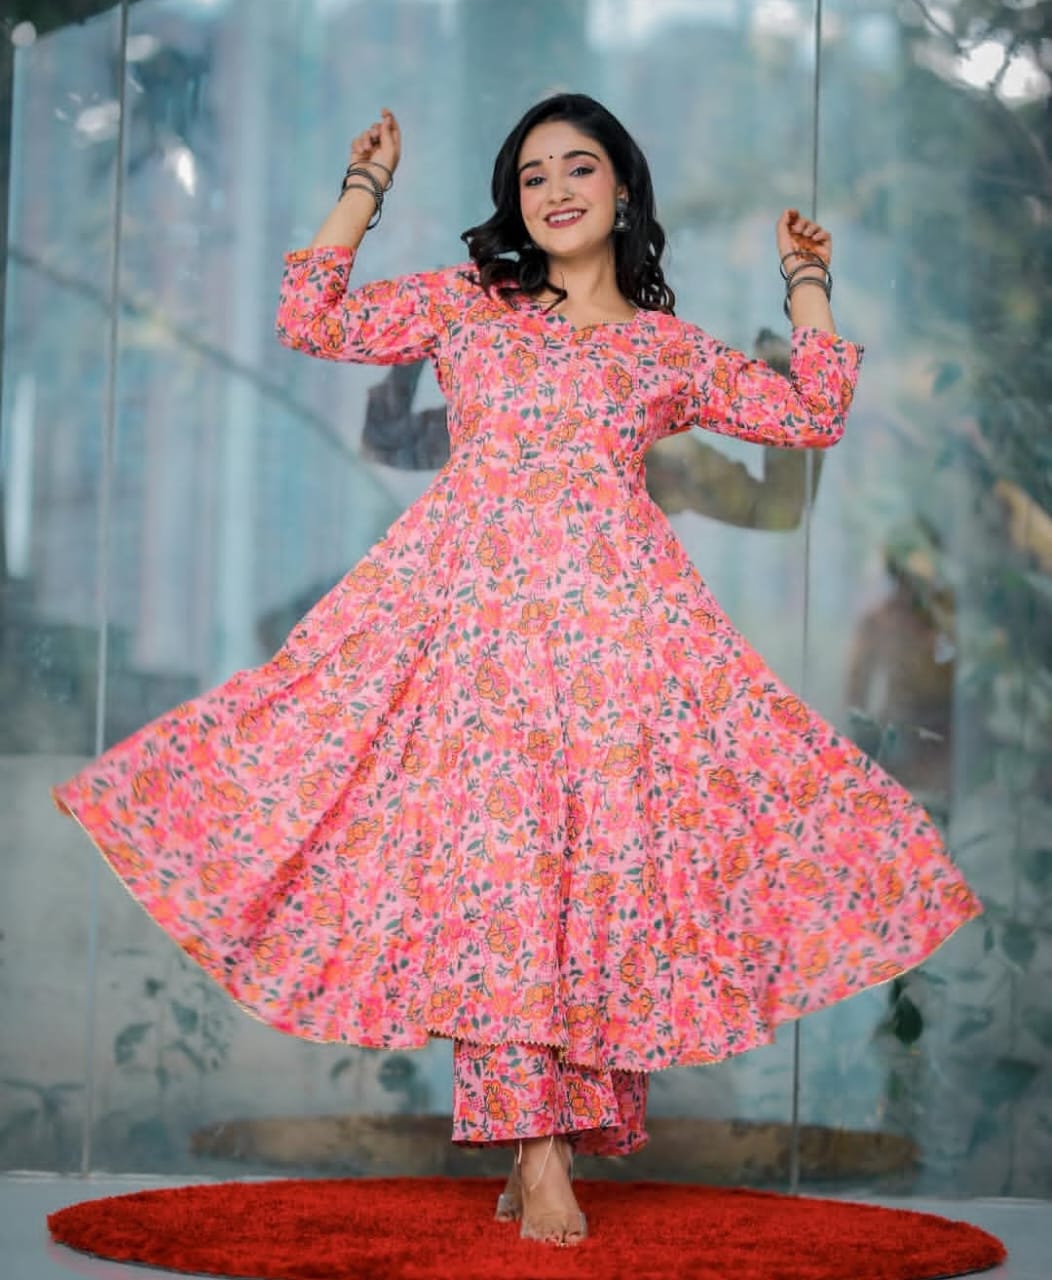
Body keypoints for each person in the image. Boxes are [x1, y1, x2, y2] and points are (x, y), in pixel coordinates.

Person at [53, 93, 982, 1248]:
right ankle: (537, 1151)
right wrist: (362, 191)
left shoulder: (662, 347)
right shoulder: (468, 302)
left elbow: (810, 413)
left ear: (620, 189)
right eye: (531, 176)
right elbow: (309, 315)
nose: (552, 190)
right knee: (498, 869)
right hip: (470, 624)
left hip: (616, 639)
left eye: (576, 167)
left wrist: (804, 285)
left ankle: (546, 1142)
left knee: (591, 877)